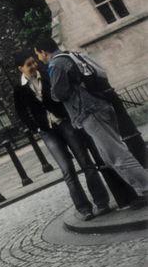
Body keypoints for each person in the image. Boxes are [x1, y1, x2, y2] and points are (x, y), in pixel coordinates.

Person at [34, 37, 148, 209]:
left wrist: (52, 91)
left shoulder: (56, 64)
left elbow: (58, 94)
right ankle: (143, 188)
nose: (39, 58)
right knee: (108, 157)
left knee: (116, 154)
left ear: (43, 52)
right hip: (99, 106)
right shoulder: (70, 55)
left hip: (89, 111)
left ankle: (146, 189)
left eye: (38, 54)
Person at [13, 50, 110, 220]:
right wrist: (35, 128)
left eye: (34, 62)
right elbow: (21, 112)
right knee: (67, 170)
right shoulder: (19, 89)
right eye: (29, 65)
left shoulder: (46, 75)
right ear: (21, 68)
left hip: (65, 123)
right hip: (47, 132)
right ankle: (84, 209)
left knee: (86, 162)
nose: (34, 66)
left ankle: (102, 202)